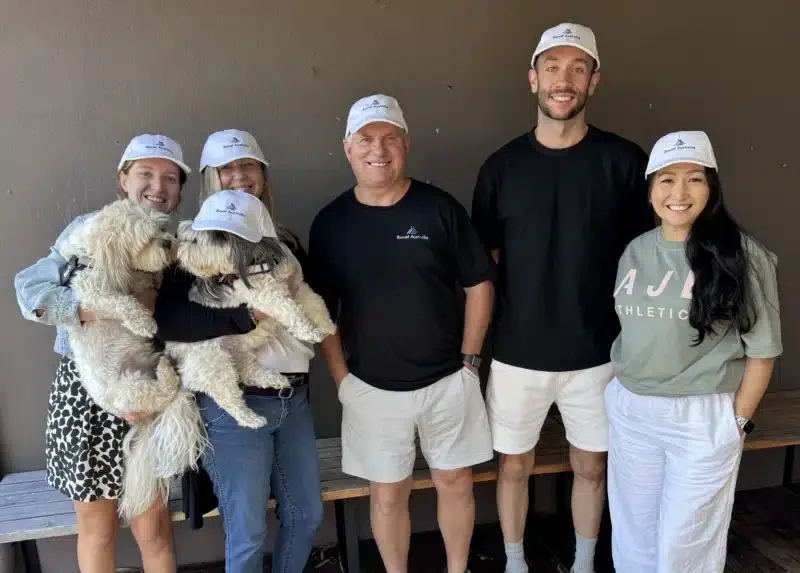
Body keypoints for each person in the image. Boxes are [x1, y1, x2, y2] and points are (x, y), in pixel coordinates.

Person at [13, 134, 256, 573]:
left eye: (169, 177)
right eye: (145, 173)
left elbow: (197, 326)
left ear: (181, 188)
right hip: (86, 394)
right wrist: (87, 310)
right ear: (123, 179)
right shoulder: (89, 230)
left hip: (154, 387)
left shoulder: (185, 243)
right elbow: (29, 291)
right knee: (98, 528)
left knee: (154, 526)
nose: (157, 186)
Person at [470, 23, 654, 573]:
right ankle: (515, 560)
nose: (564, 80)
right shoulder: (501, 167)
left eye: (578, 68)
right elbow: (485, 265)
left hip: (599, 352)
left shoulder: (623, 162)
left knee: (593, 467)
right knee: (513, 468)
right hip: (516, 352)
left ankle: (583, 562)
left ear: (594, 81)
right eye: (552, 67)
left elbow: (649, 260)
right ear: (533, 79)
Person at [308, 94, 495, 573]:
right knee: (386, 495)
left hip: (447, 383)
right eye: (366, 139)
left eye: (390, 137)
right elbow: (323, 311)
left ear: (406, 145)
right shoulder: (331, 223)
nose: (379, 149)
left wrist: (470, 364)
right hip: (371, 388)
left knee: (455, 484)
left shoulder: (439, 208)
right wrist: (342, 379)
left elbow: (479, 284)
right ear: (347, 148)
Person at [606, 130, 782, 572]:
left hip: (700, 417)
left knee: (686, 549)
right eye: (667, 180)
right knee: (633, 538)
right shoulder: (635, 251)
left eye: (694, 179)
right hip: (632, 410)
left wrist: (736, 422)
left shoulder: (741, 255)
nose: (679, 193)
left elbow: (762, 352)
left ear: (712, 187)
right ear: (650, 190)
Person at [171, 128, 324, 573]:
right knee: (248, 530)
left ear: (263, 175)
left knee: (306, 514)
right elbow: (175, 322)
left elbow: (310, 313)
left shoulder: (287, 242)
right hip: (231, 403)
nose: (239, 176)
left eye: (249, 166)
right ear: (209, 179)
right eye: (226, 168)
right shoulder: (194, 245)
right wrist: (248, 316)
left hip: (291, 398)